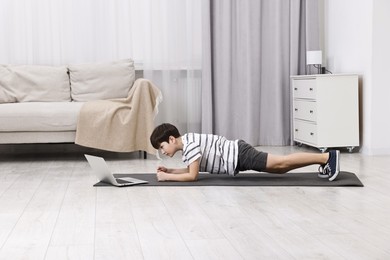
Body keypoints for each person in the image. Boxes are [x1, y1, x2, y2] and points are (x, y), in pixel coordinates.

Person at [150, 123, 340, 182]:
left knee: (281, 163)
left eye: (162, 147)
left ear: (172, 139)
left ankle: (327, 157)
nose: (163, 151)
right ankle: (323, 161)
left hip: (239, 154)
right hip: (238, 157)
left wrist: (167, 178)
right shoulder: (187, 144)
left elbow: (192, 176)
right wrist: (170, 170)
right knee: (281, 168)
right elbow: (191, 169)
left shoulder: (189, 145)